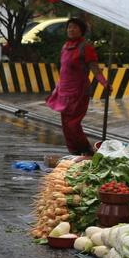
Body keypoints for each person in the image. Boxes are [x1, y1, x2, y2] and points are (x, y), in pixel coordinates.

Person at [45, 17, 111, 155]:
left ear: (81, 31)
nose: (71, 29)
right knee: (65, 126)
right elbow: (64, 70)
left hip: (79, 92)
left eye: (75, 27)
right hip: (64, 92)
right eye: (69, 27)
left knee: (73, 124)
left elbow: (95, 69)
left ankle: (87, 151)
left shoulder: (86, 47)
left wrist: (104, 83)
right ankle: (74, 153)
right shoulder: (65, 47)